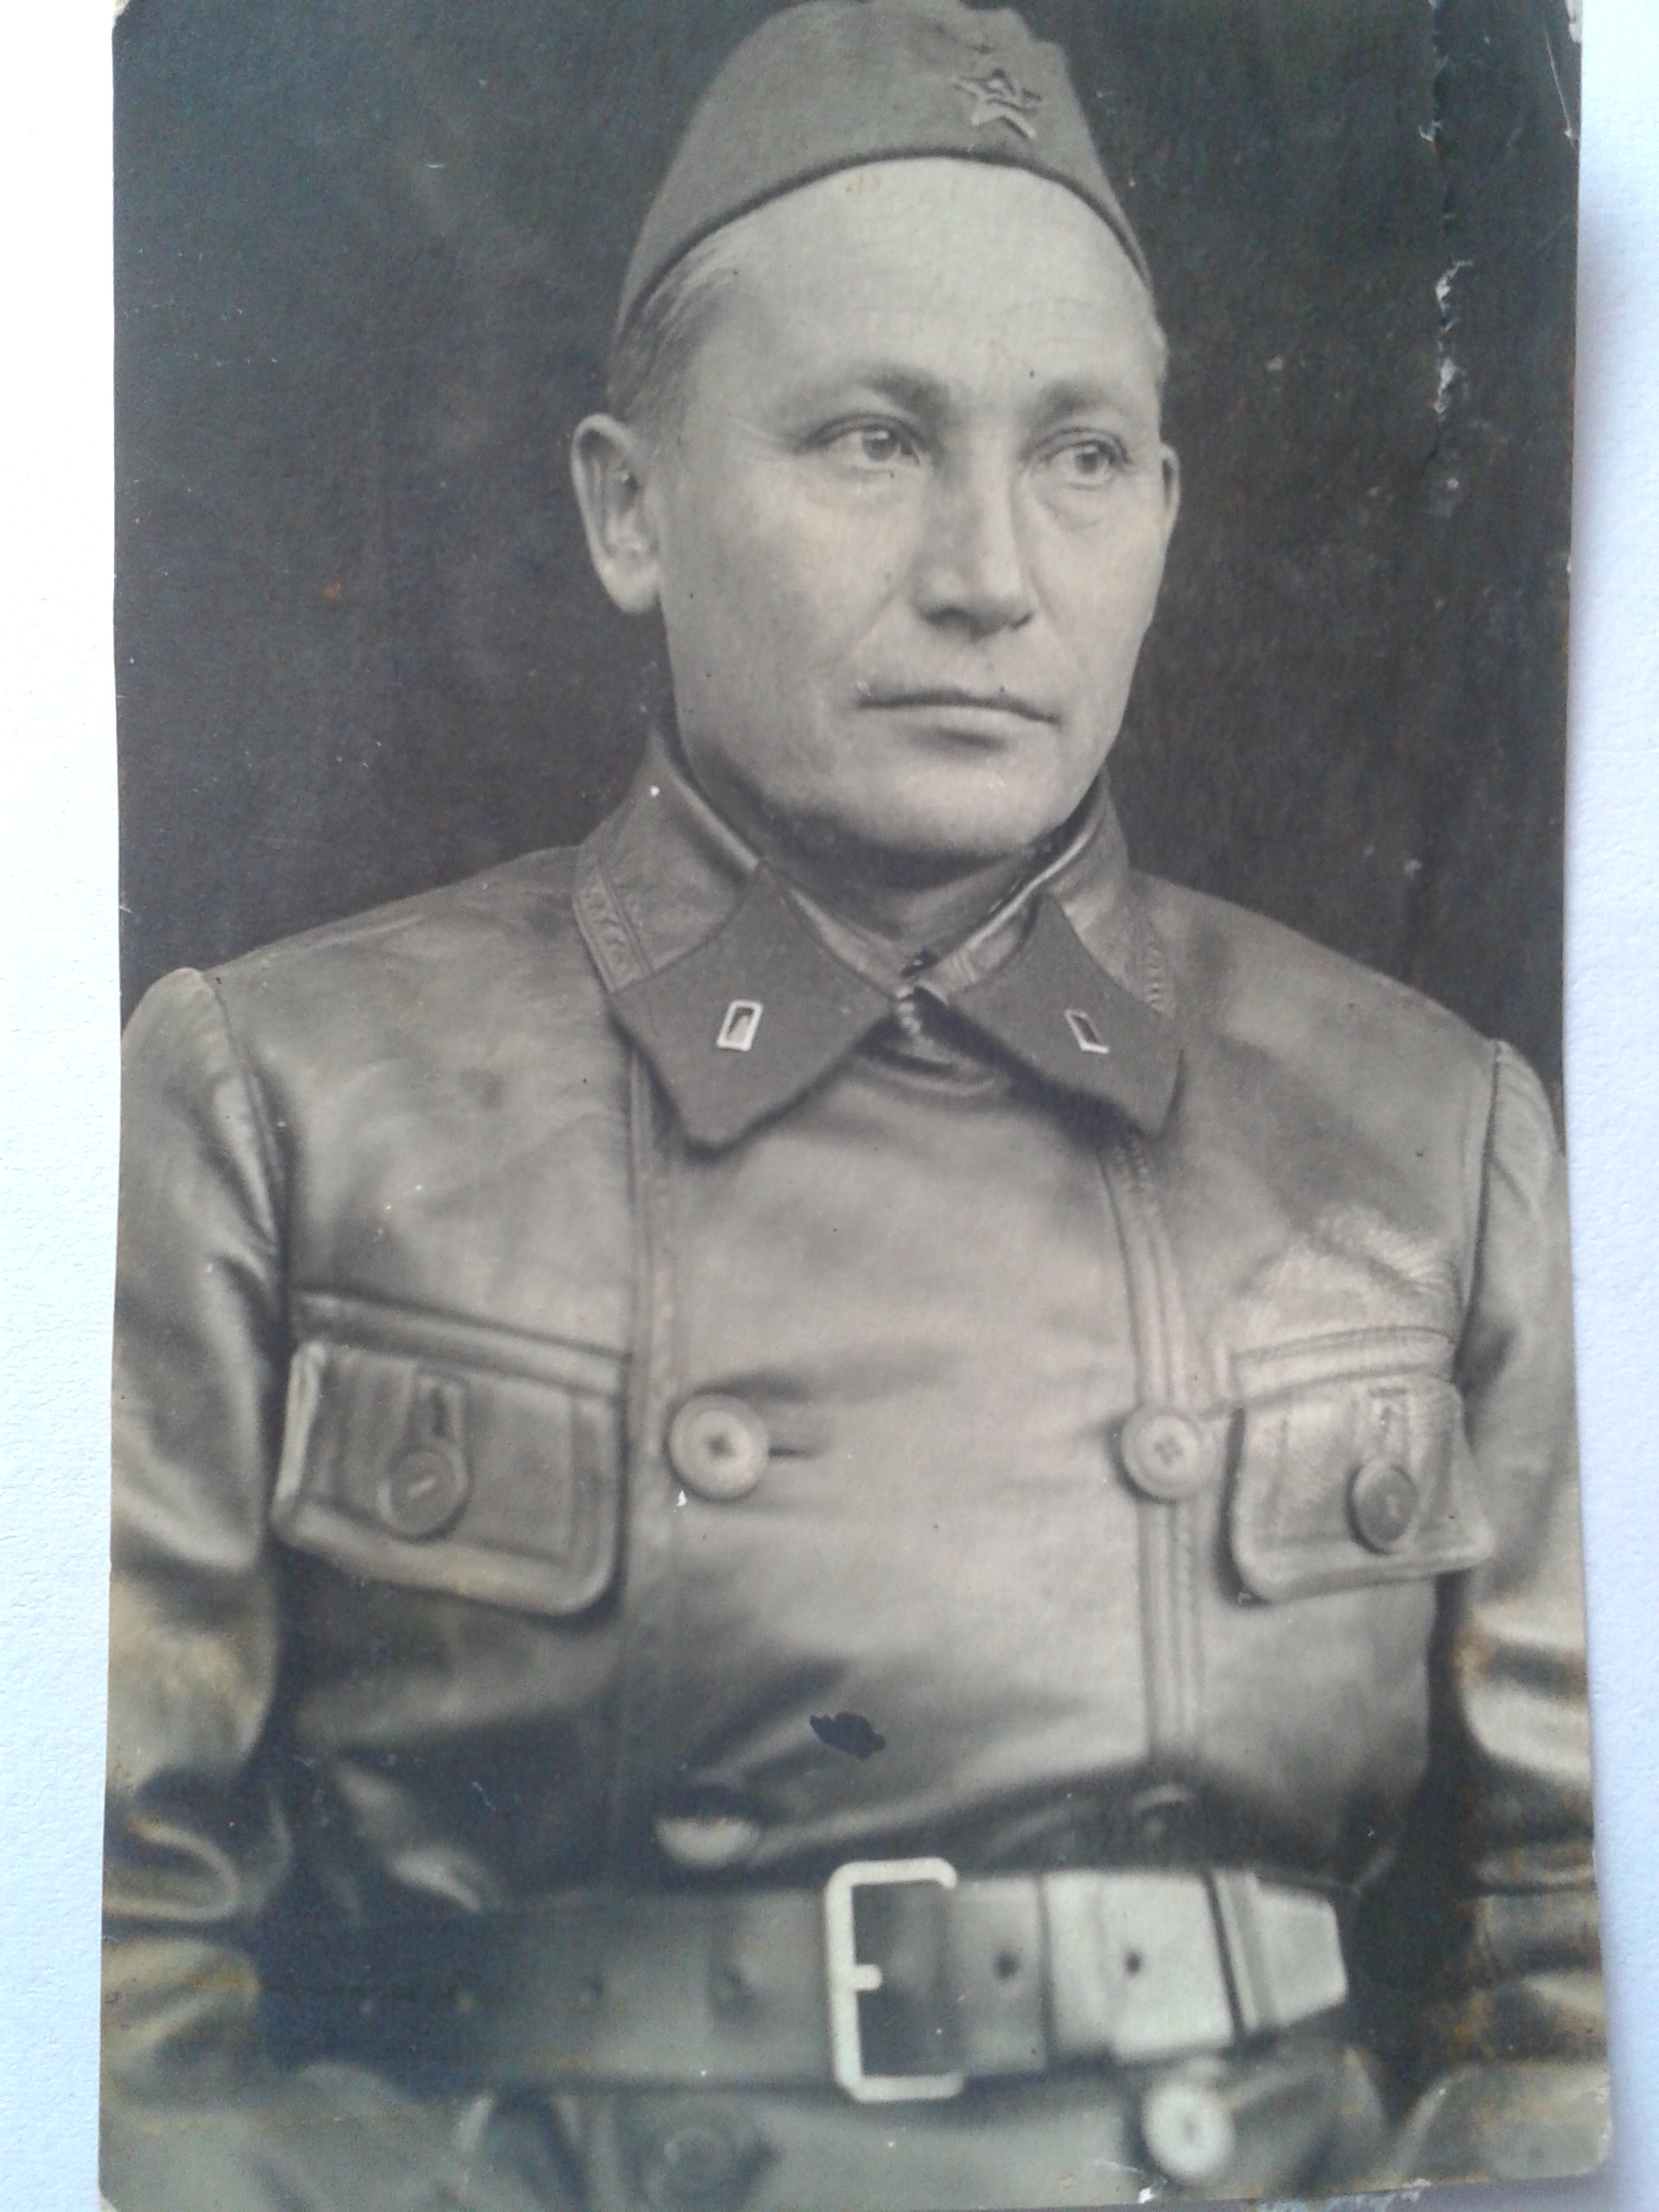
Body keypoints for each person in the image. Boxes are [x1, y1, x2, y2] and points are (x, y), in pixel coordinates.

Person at [100, 3, 1605, 2207]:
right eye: (872, 439)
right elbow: (100, 1989)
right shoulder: (284, 1100)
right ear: (629, 507)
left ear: (1164, 513)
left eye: (1079, 453)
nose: (990, 573)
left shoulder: (1428, 1130)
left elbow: (1578, 1974)